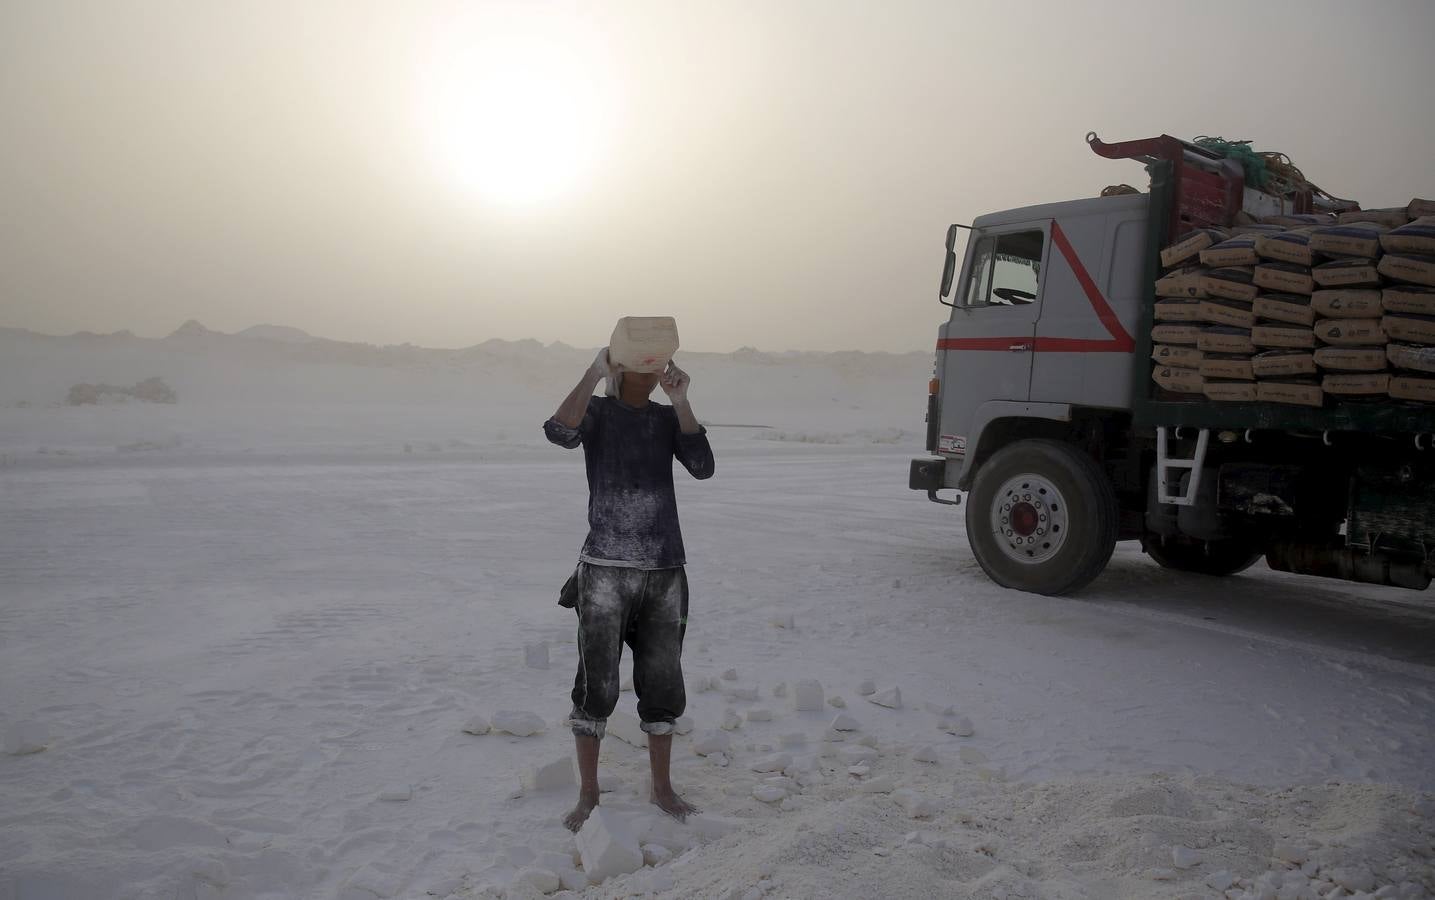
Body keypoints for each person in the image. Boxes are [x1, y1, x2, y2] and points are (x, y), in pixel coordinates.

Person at [543, 346, 715, 832]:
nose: (644, 376)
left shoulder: (664, 420)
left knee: (662, 684)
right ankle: (589, 795)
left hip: (664, 572)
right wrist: (592, 373)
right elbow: (559, 431)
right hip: (604, 571)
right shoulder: (597, 412)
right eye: (633, 366)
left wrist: (681, 401)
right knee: (595, 685)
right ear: (616, 369)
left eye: (653, 369)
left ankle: (662, 789)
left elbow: (702, 466)